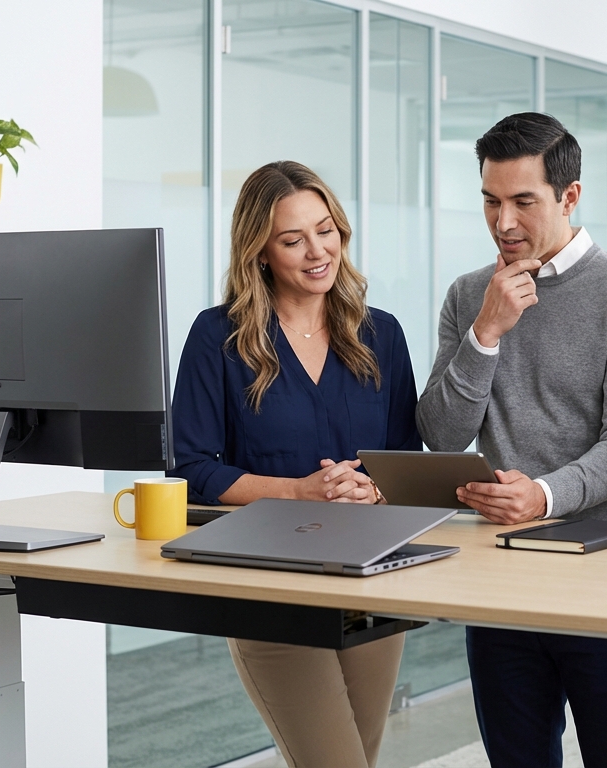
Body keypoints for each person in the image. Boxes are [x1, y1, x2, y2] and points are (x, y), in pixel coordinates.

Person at [416, 113, 607, 768]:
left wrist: (545, 496)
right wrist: (486, 335)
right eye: (491, 202)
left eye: (523, 202)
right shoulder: (471, 295)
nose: (503, 223)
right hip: (499, 573)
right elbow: (441, 435)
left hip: (606, 568)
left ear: (571, 196)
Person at [169, 160, 421, 768]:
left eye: (326, 230)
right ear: (260, 252)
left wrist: (375, 493)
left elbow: (405, 463)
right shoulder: (219, 338)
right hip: (271, 585)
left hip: (372, 583)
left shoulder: (381, 334)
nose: (318, 252)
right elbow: (193, 469)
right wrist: (298, 492)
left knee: (357, 758)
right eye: (292, 239)